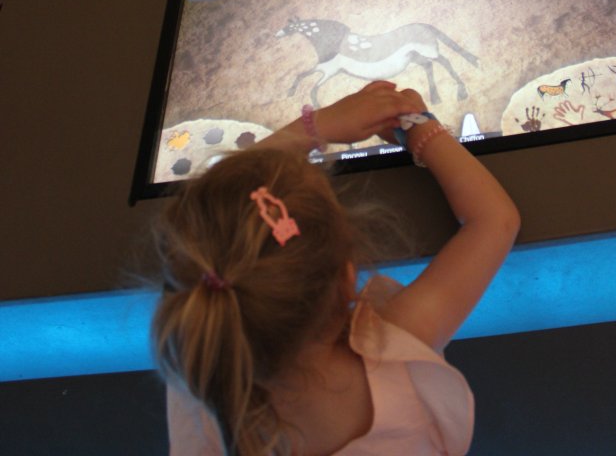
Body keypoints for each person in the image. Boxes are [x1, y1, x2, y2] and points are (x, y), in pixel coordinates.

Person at [153, 81, 520, 456]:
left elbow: (195, 226)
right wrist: (419, 127)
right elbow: (495, 220)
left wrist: (315, 127)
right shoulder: (396, 350)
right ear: (348, 277)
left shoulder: (201, 375)